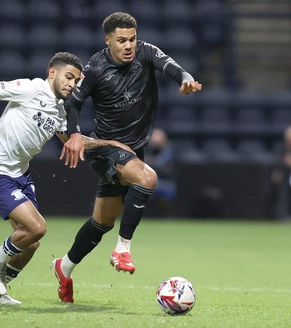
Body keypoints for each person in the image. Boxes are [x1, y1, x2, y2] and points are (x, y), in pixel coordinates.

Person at [0, 52, 132, 305]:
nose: (72, 84)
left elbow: (72, 142)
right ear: (52, 72)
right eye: (68, 77)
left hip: (20, 174)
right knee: (37, 228)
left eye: (76, 80)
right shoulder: (30, 88)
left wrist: (112, 145)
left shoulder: (61, 111)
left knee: (30, 244)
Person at [52, 12, 202, 303]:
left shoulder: (145, 53)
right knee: (148, 178)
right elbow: (73, 104)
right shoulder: (94, 68)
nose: (129, 45)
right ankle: (123, 249)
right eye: (121, 40)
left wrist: (186, 79)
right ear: (107, 40)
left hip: (132, 150)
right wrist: (73, 135)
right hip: (104, 150)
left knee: (102, 223)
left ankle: (64, 267)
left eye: (132, 38)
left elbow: (170, 65)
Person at [144, 128, 176, 217]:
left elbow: (168, 171)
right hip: (145, 180)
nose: (156, 143)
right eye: (153, 141)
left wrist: (154, 163)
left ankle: (164, 214)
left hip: (163, 181)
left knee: (164, 187)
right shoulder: (145, 149)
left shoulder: (169, 151)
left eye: (158, 140)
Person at [270, 126, 291, 220]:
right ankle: (283, 215)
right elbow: (276, 169)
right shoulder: (281, 150)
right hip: (285, 177)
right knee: (283, 187)